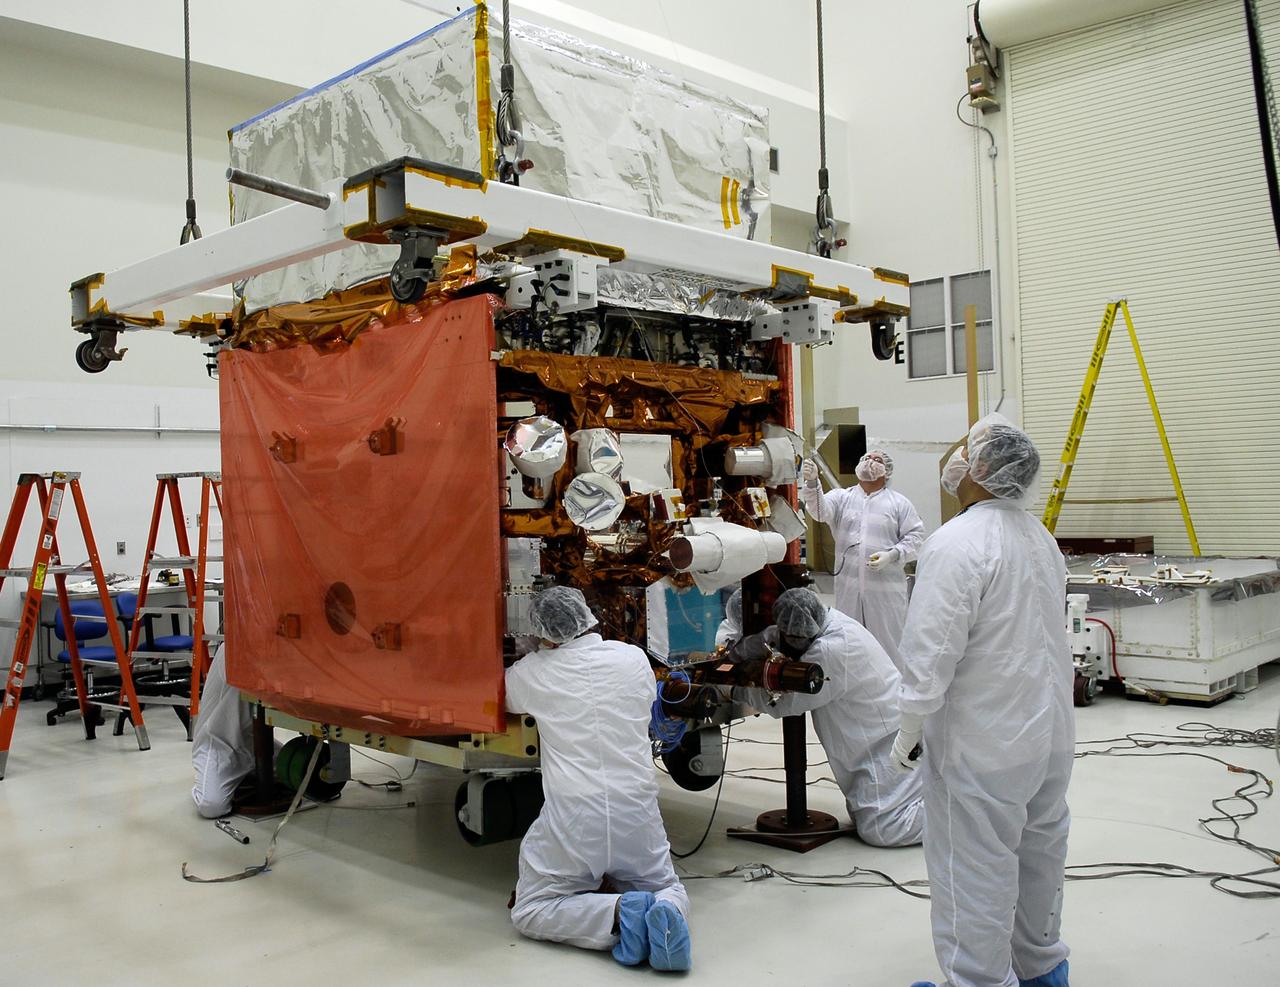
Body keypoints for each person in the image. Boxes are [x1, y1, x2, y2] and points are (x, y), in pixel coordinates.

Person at [893, 415, 1073, 987]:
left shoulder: (956, 543)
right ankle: (1043, 969)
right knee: (1039, 853)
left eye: (962, 453)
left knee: (973, 866)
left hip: (984, 741)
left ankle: (977, 981)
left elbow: (932, 649)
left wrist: (909, 726)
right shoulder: (1040, 538)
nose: (953, 464)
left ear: (981, 470)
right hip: (1047, 737)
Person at [505, 586, 692, 971]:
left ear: (543, 632)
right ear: (586, 616)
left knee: (532, 909)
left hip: (574, 819)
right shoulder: (633, 659)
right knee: (666, 886)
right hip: (637, 809)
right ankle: (665, 910)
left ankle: (621, 913)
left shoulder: (531, 673)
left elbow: (505, 700)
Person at [734, 587, 924, 847]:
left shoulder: (832, 650)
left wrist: (732, 689)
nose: (788, 640)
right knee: (868, 818)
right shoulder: (826, 620)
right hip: (872, 739)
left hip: (884, 744)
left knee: (883, 829)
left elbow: (784, 704)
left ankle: (956, 817)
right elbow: (775, 636)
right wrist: (736, 653)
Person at [800, 449, 925, 669]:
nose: (870, 462)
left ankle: (893, 691)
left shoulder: (899, 503)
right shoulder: (842, 497)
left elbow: (916, 537)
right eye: (866, 458)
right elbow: (819, 512)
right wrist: (812, 484)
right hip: (849, 589)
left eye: (877, 460)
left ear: (886, 472)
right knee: (850, 641)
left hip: (885, 593)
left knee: (889, 644)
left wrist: (893, 555)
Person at [191, 645, 254, 818]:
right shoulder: (232, 648)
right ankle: (205, 780)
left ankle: (250, 774)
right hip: (218, 743)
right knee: (211, 805)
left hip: (253, 741)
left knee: (306, 774)